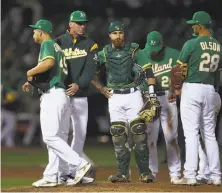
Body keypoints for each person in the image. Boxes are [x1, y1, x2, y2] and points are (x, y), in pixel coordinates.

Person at [22, 19, 92, 187]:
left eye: (35, 31)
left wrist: (30, 72)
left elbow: (49, 63)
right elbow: (54, 70)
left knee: (50, 137)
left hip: (53, 95)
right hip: (61, 95)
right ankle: (52, 175)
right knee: (58, 136)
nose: (33, 33)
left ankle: (79, 164)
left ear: (41, 32)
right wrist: (32, 81)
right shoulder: (57, 47)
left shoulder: (47, 44)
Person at [92, 21, 158, 183]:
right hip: (114, 96)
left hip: (133, 94)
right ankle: (123, 173)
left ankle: (145, 172)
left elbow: (148, 70)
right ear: (109, 35)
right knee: (118, 136)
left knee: (139, 133)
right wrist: (101, 88)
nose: (118, 36)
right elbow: (91, 73)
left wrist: (151, 95)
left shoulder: (134, 49)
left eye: (120, 32)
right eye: (114, 33)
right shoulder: (104, 53)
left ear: (124, 34)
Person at [169, 11, 222, 186]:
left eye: (194, 24)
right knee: (210, 134)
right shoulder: (218, 45)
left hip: (193, 88)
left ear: (200, 26)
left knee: (191, 133)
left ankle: (190, 174)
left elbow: (177, 70)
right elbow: (218, 75)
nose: (193, 26)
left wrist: (176, 85)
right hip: (211, 90)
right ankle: (216, 175)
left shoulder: (192, 43)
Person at [55, 10, 98, 184]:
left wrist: (78, 84)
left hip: (80, 95)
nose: (82, 26)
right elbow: (54, 66)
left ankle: (74, 171)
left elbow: (90, 69)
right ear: (70, 23)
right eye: (79, 23)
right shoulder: (58, 41)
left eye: (84, 23)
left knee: (80, 134)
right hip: (62, 94)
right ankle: (63, 172)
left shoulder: (90, 44)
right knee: (62, 133)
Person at [135, 31, 181, 184]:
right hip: (149, 98)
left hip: (168, 97)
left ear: (162, 44)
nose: (153, 51)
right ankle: (151, 172)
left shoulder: (174, 53)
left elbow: (182, 74)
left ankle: (174, 173)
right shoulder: (141, 54)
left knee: (171, 137)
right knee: (150, 138)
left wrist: (177, 89)